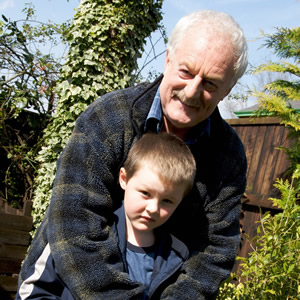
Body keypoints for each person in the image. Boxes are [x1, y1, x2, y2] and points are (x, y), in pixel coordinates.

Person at [18, 9, 248, 300]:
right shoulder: (106, 120)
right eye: (186, 72)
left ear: (227, 90)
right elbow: (74, 224)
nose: (191, 92)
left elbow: (214, 252)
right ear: (168, 60)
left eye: (210, 84)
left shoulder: (228, 156)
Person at [17, 132, 196, 299]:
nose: (153, 208)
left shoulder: (177, 256)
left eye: (167, 201)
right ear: (124, 179)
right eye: (145, 193)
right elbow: (33, 290)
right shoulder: (84, 230)